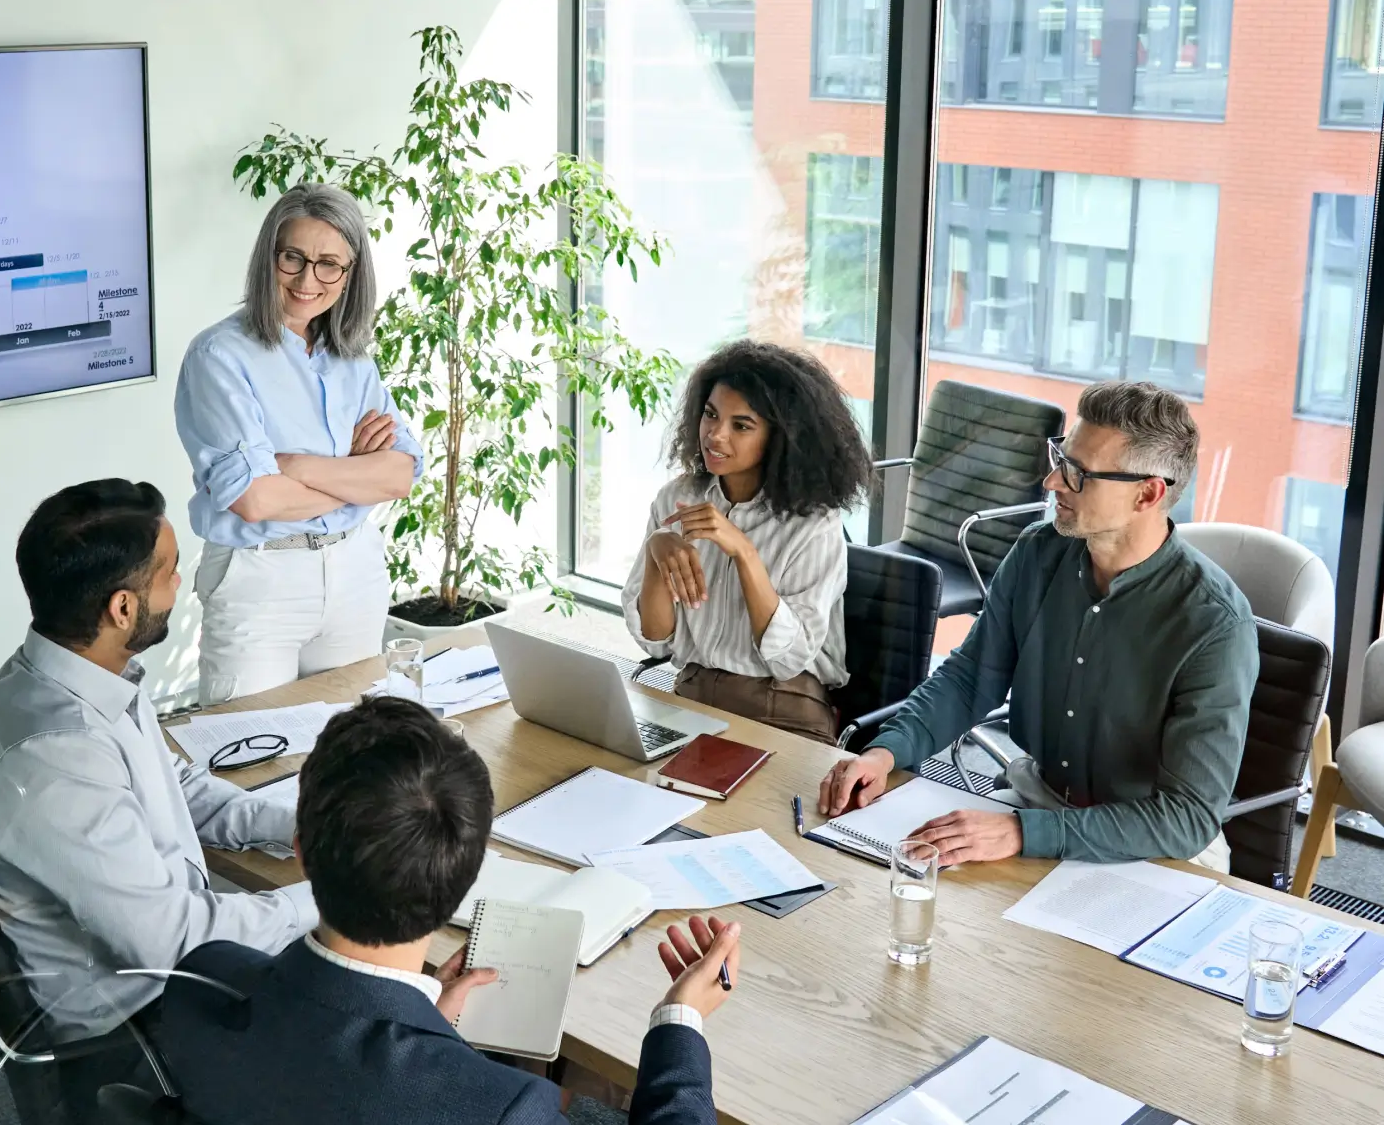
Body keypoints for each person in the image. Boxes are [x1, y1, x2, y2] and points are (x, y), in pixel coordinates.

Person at [160, 697, 737, 1125]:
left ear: (303, 853)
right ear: (464, 882)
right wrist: (680, 1021)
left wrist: (430, 1011)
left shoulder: (200, 987)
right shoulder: (498, 1108)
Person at [0, 480, 319, 1113]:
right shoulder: (55, 758)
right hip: (136, 1025)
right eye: (170, 573)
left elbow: (179, 788)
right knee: (371, 1014)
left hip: (158, 953)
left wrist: (317, 828)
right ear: (123, 608)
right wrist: (336, 894)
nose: (181, 585)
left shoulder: (82, 675)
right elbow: (173, 944)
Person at [817, 381, 1259, 871]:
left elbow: (1186, 818)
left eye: (1078, 474)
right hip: (1035, 801)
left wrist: (1021, 832)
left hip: (1152, 849)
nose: (1052, 483)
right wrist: (884, 753)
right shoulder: (1037, 551)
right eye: (1059, 458)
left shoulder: (1215, 623)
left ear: (1147, 494)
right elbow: (969, 679)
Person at [175, 182, 423, 704]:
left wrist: (293, 465)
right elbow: (256, 499)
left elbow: (399, 475)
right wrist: (356, 476)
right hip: (260, 576)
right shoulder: (219, 356)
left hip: (355, 572)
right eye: (294, 258)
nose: (309, 279)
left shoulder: (354, 356)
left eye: (330, 264)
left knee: (355, 757)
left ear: (351, 274)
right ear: (269, 257)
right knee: (250, 757)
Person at [622, 340, 873, 744]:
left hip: (784, 709)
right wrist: (656, 551)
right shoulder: (676, 499)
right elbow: (656, 641)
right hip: (693, 696)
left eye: (741, 425)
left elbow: (789, 660)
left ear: (781, 438)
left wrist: (743, 551)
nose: (715, 435)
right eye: (710, 415)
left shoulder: (814, 526)